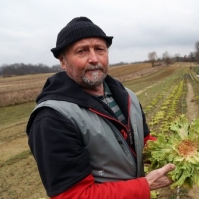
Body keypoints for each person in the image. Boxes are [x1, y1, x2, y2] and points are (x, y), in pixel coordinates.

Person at [26, 16, 175, 199]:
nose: (94, 59)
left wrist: (181, 150)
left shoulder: (129, 97)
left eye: (100, 49)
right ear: (63, 62)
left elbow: (142, 143)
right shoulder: (52, 118)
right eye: (82, 51)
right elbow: (74, 196)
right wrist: (144, 185)